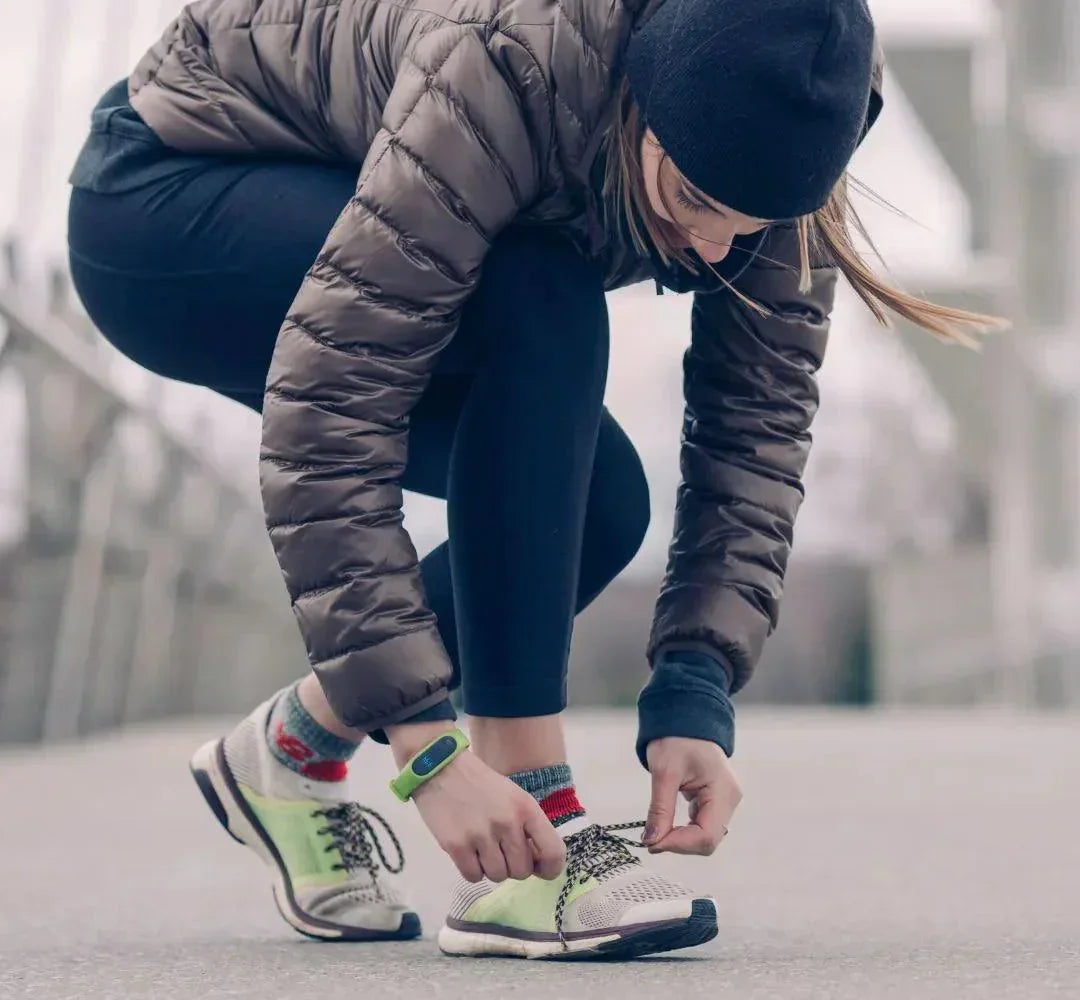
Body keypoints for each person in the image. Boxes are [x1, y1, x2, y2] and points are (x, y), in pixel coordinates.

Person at [65, 0, 992, 960]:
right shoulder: (514, 60)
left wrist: (694, 691)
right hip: (168, 200)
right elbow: (331, 415)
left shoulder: (804, 105)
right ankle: (532, 852)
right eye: (697, 204)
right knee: (537, 292)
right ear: (644, 106)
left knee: (596, 505)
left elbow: (755, 424)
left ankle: (292, 748)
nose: (718, 248)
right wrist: (427, 747)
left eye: (750, 225)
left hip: (361, 189)